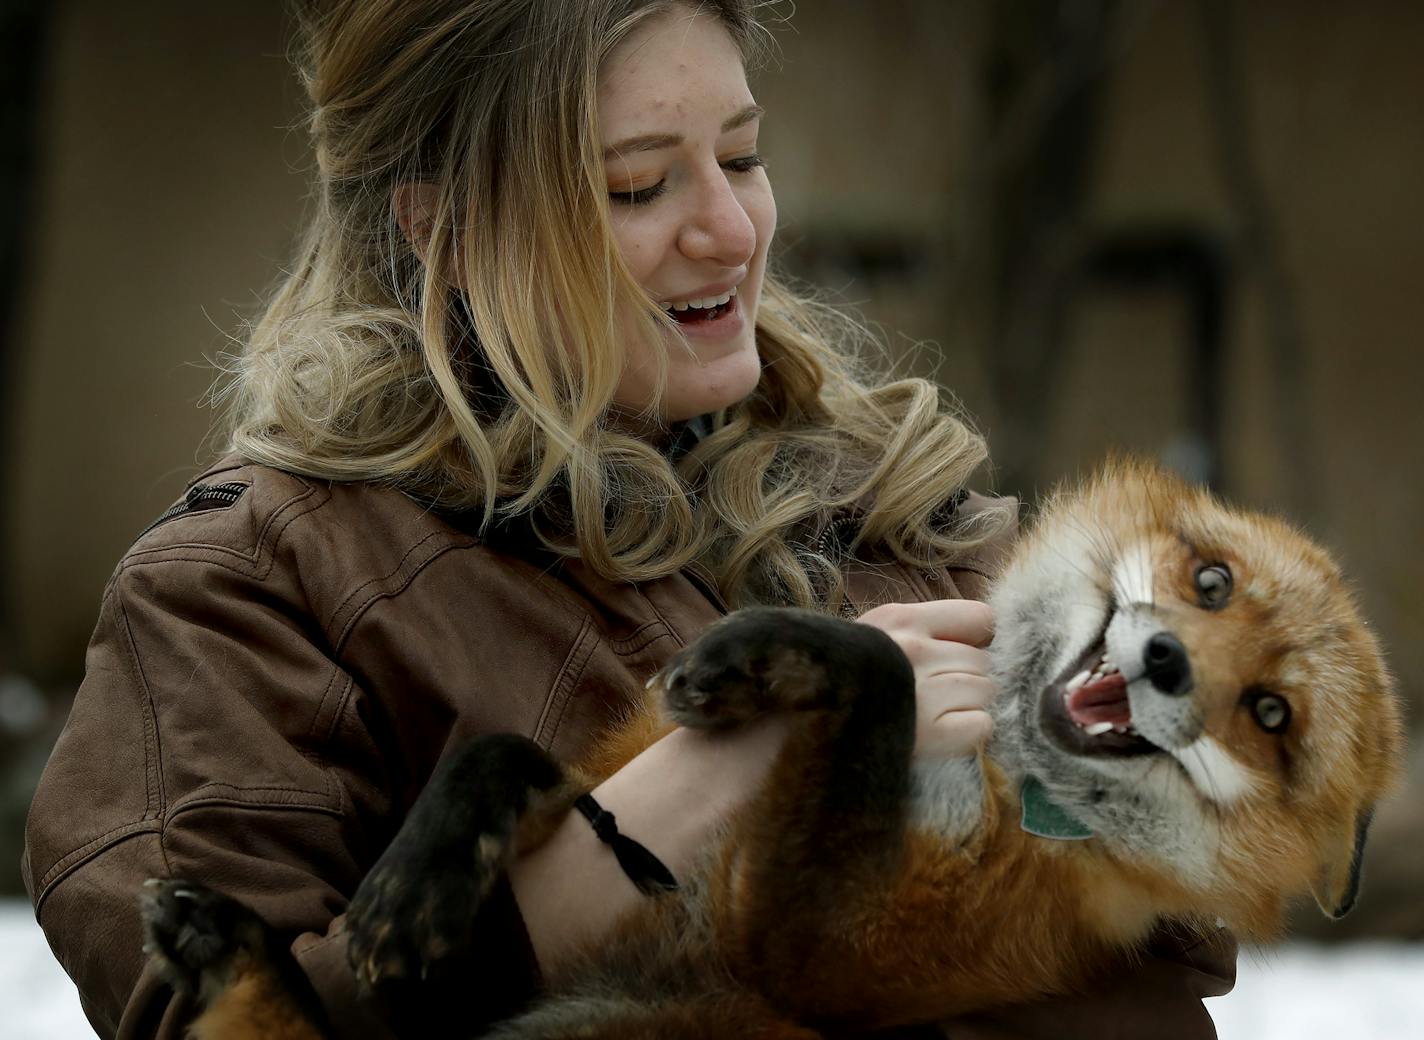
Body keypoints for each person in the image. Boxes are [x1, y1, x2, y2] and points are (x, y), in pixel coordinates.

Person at [23, 1, 1235, 1037]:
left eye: (743, 157)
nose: (731, 229)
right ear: (437, 227)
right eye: (636, 184)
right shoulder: (243, 595)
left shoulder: (898, 514)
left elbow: (1164, 953)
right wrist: (715, 776)